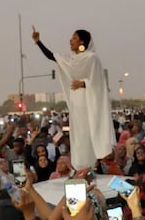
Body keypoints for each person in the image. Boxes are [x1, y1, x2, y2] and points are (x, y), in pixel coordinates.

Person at [32, 26, 115, 169]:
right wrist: (38, 42)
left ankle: (91, 166)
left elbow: (99, 82)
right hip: (76, 105)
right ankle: (80, 167)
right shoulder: (72, 60)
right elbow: (53, 57)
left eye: (75, 38)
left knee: (88, 135)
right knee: (78, 137)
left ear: (82, 42)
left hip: (88, 104)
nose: (71, 40)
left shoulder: (92, 58)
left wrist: (83, 83)